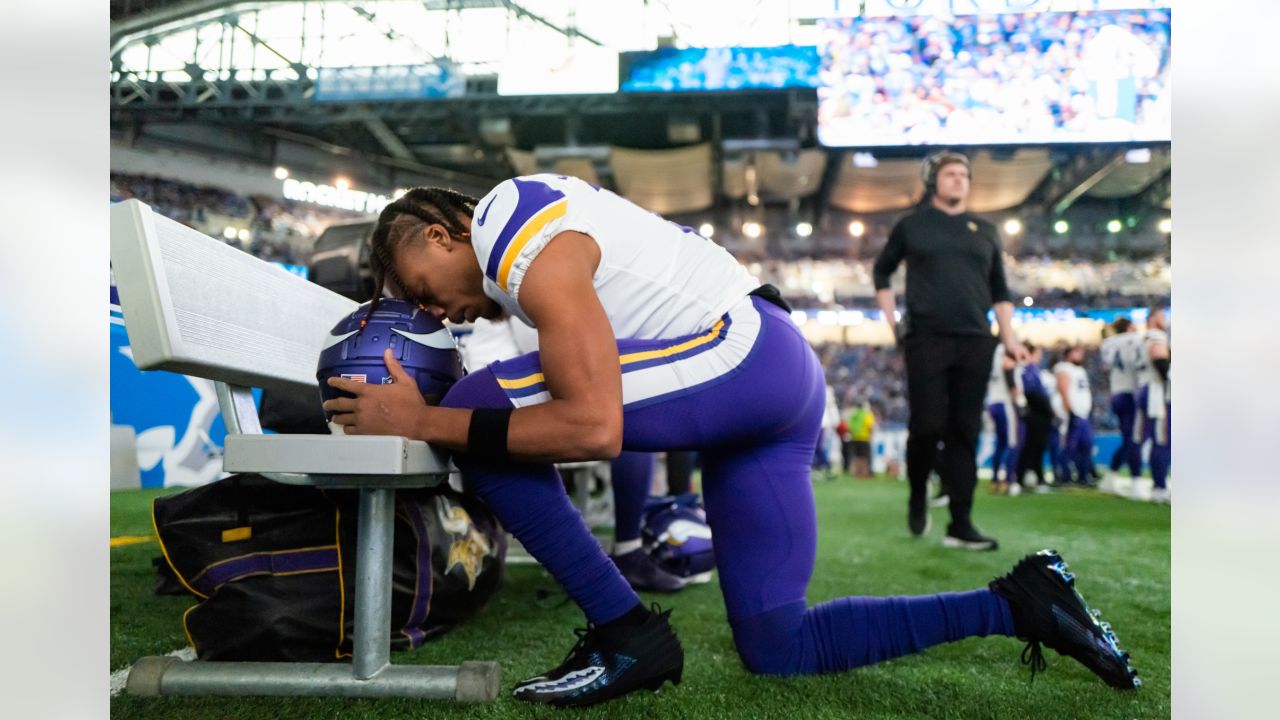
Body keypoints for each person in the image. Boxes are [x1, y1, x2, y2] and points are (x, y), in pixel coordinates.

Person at [321, 177, 1138, 707]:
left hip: (738, 358)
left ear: (437, 233)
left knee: (474, 406)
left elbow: (596, 428)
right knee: (780, 646)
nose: (435, 313)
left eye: (419, 292)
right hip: (777, 382)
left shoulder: (506, 221)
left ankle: (626, 632)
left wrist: (423, 421)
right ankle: (1018, 602)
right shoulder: (527, 259)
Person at [459, 316, 686, 592]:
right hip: (503, 392)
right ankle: (614, 554)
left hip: (532, 384)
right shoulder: (511, 292)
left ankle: (625, 551)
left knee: (624, 399)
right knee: (615, 399)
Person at [873, 151, 1028, 551]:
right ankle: (918, 493)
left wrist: (1009, 337)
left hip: (976, 338)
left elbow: (1000, 290)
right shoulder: (912, 226)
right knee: (926, 426)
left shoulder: (987, 230)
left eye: (964, 174)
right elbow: (882, 271)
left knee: (965, 430)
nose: (959, 180)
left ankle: (961, 523)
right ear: (933, 182)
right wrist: (893, 323)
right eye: (951, 174)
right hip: (926, 337)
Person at [1098, 318, 1143, 493]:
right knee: (1134, 439)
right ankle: (1135, 480)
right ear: (1130, 327)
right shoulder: (1135, 339)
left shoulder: (1108, 343)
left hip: (1116, 393)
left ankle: (1111, 476)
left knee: (1128, 440)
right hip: (1130, 392)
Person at [1134, 307, 1171, 503]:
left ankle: (1145, 481)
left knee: (1146, 437)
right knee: (1161, 439)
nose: (1164, 320)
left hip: (1144, 386)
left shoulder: (1142, 338)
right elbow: (1160, 360)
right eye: (1161, 316)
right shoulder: (1156, 336)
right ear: (1153, 319)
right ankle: (1159, 486)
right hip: (1154, 390)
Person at [1054, 345, 1096, 487]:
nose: (1080, 355)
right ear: (1069, 353)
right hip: (1072, 413)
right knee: (1069, 446)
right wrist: (1069, 411)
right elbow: (1063, 389)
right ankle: (1064, 476)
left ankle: (1083, 476)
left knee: (1086, 446)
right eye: (1077, 352)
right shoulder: (1063, 367)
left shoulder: (1080, 370)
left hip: (1083, 413)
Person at [1014, 342, 1054, 492]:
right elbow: (1033, 393)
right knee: (1032, 447)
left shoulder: (1033, 370)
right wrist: (1048, 410)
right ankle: (1028, 478)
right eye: (1037, 353)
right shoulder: (1027, 370)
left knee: (1035, 447)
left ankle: (1032, 476)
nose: (1040, 357)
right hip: (1035, 414)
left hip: (1038, 413)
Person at [986, 345, 1020, 494]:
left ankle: (995, 479)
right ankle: (1007, 479)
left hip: (992, 402)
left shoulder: (991, 353)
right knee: (1011, 442)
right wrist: (1017, 396)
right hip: (1004, 402)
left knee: (1000, 443)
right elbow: (1008, 369)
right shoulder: (1004, 351)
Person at [848, 400, 876, 478]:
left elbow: (850, 425)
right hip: (864, 438)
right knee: (865, 457)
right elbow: (870, 426)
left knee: (857, 456)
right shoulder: (867, 414)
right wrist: (871, 435)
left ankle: (857, 473)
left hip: (855, 438)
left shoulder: (854, 414)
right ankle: (864, 473)